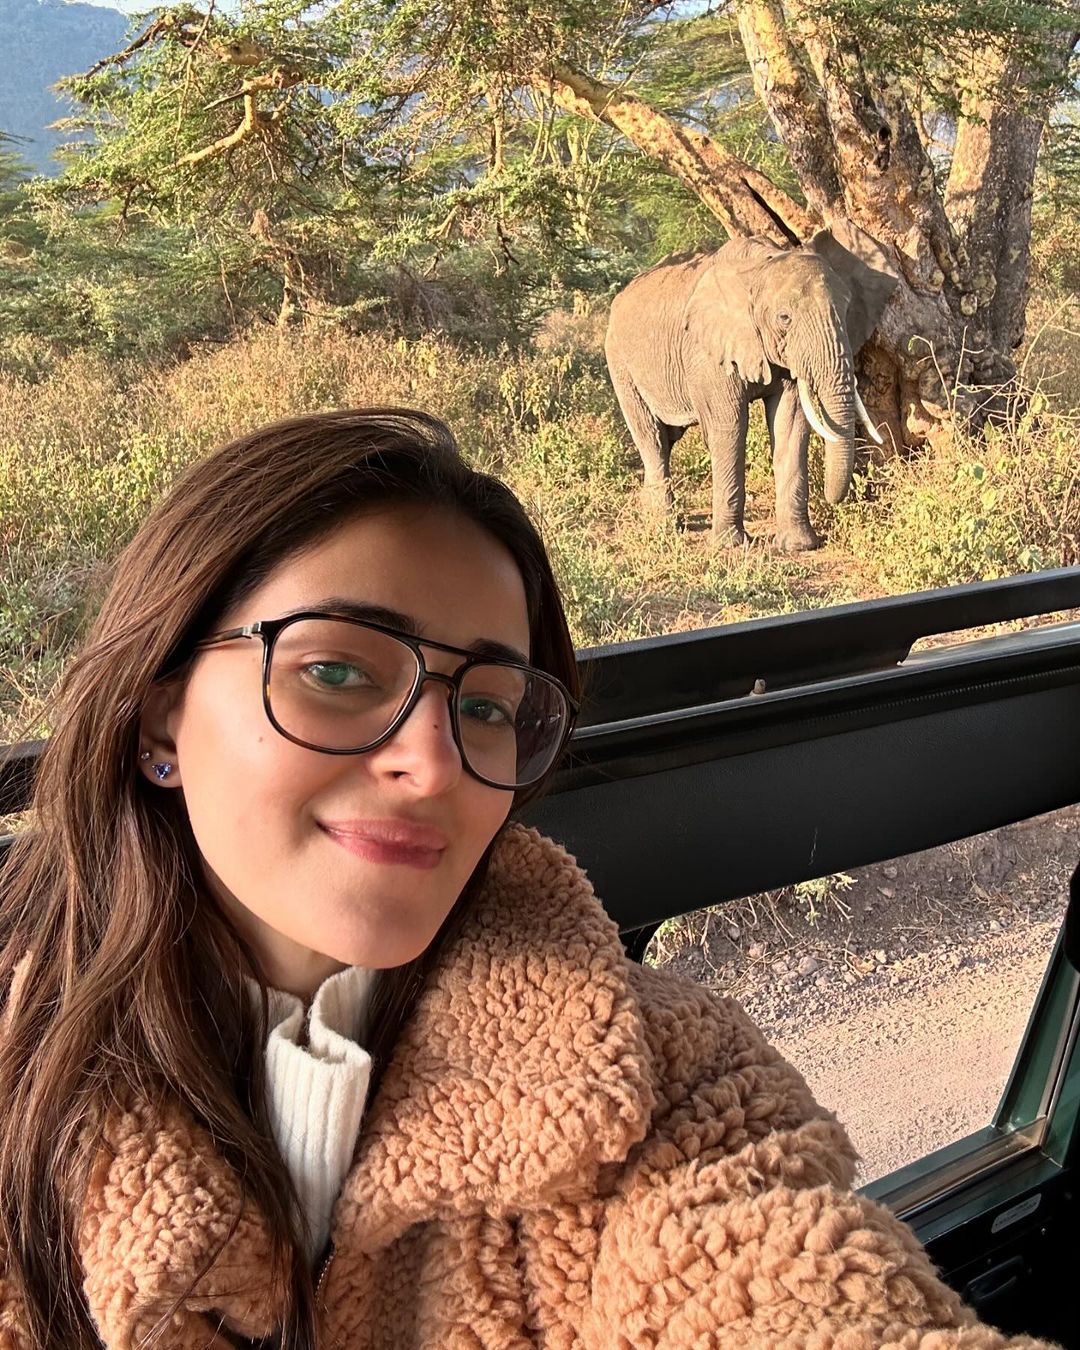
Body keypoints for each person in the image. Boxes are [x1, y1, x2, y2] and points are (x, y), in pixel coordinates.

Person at [0, 408, 1050, 1350]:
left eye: (490, 705)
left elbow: (785, 1285)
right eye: (335, 671)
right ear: (158, 714)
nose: (438, 762)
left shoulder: (656, 1080)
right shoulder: (21, 1090)